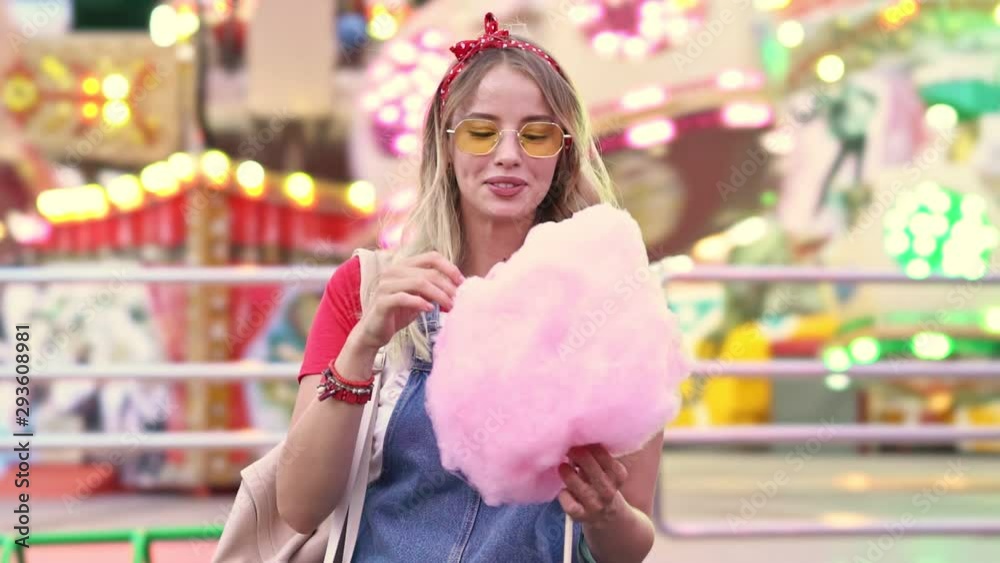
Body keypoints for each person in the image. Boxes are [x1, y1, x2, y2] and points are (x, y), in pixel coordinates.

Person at [277, 13, 662, 562]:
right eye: (482, 132)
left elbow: (632, 543)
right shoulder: (366, 289)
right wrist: (362, 345)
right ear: (446, 144)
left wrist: (606, 514)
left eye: (537, 133)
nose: (508, 154)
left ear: (564, 151)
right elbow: (298, 505)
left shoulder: (609, 298)